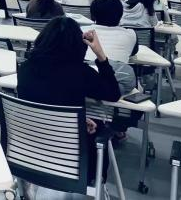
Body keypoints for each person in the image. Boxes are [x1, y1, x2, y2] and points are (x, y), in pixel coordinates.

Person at [17, 16, 120, 186]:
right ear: (78, 45)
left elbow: (42, 104)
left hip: (28, 155)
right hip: (72, 164)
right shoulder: (81, 73)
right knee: (102, 129)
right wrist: (101, 55)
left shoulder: (25, 68)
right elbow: (113, 93)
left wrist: (76, 120)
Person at [86, 0, 138, 93]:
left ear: (92, 15)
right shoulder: (131, 34)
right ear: (120, 15)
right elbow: (133, 53)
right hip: (117, 80)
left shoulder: (83, 31)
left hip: (84, 78)